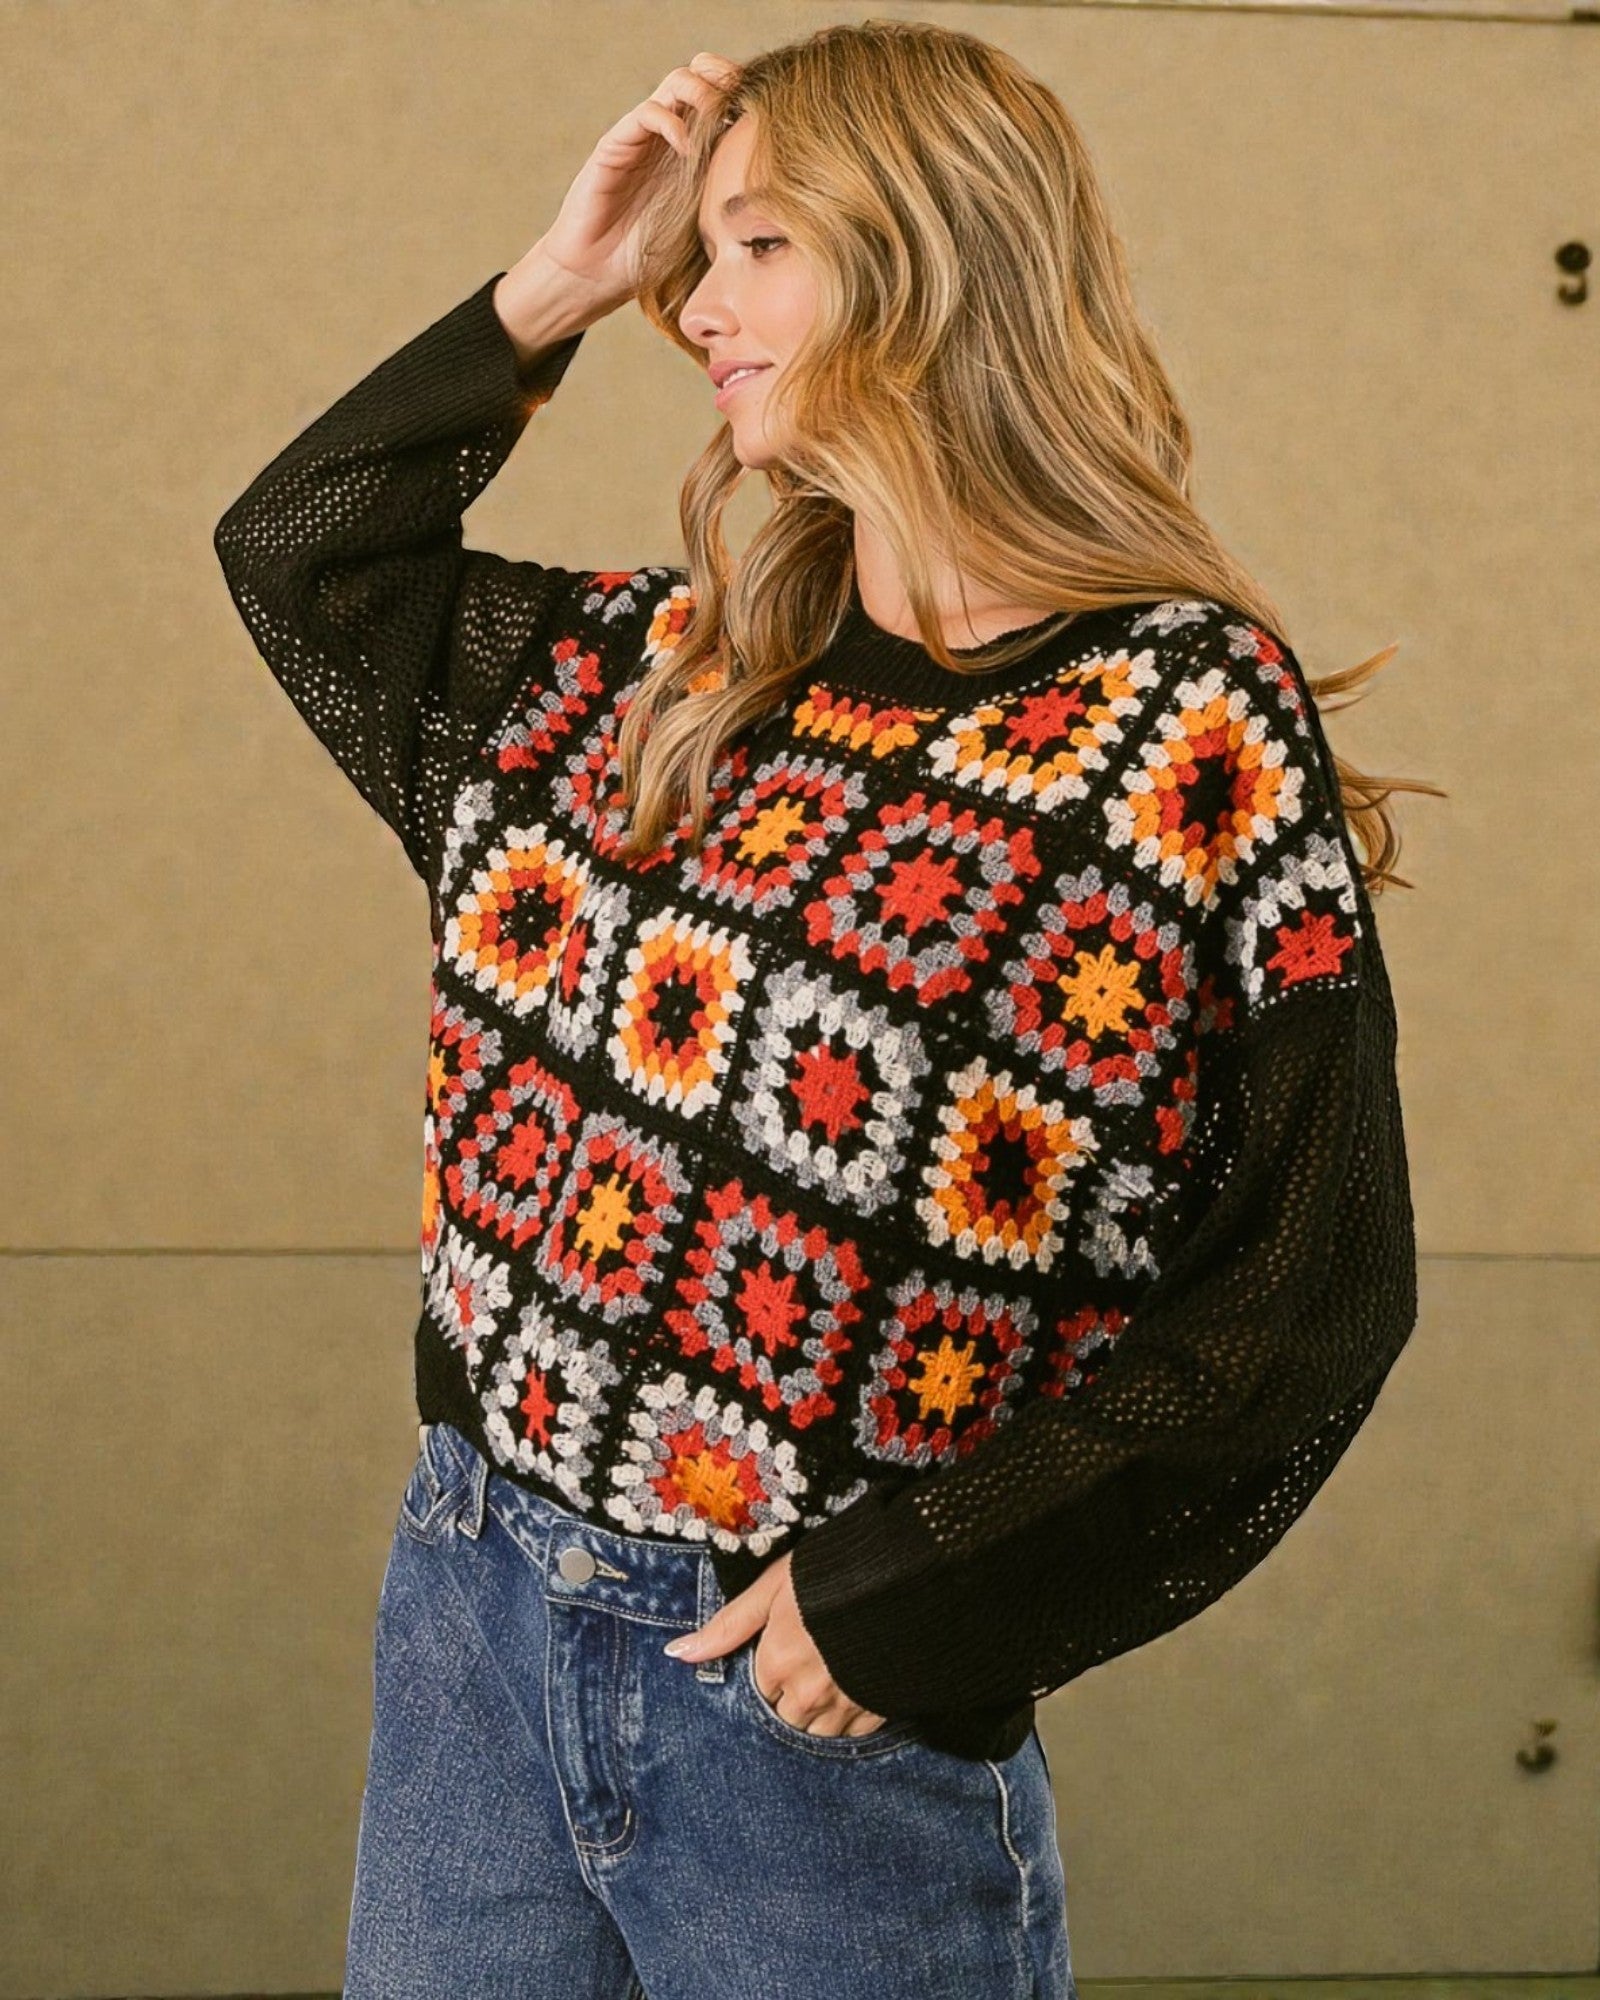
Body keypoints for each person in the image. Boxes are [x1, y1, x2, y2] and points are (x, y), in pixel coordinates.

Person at [212, 23, 1425, 2000]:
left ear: (929, 259)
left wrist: (922, 1592)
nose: (696, 303)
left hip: (793, 1717)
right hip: (473, 1613)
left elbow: (1304, 1284)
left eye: (755, 244)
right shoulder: (662, 668)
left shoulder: (1169, 725)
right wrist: (555, 287)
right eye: (696, 251)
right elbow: (303, 556)